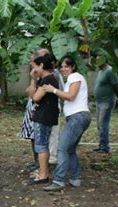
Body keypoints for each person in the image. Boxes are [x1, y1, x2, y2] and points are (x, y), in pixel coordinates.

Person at [42, 55, 91, 192]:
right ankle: (75, 179)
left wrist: (54, 90)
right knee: (69, 150)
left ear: (73, 67)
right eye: (61, 66)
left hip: (78, 117)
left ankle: (58, 180)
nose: (63, 69)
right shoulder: (73, 78)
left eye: (66, 66)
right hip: (78, 117)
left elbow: (71, 96)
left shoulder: (74, 77)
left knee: (62, 149)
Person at [29, 54, 60, 183]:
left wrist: (33, 79)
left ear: (41, 65)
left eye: (35, 66)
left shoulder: (47, 80)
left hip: (43, 116)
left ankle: (43, 175)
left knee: (41, 146)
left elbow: (35, 97)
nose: (34, 70)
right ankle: (44, 172)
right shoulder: (48, 79)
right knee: (43, 145)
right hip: (47, 116)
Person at [93, 54, 118, 153]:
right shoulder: (101, 71)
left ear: (105, 60)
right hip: (99, 101)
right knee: (99, 124)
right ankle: (102, 145)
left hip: (106, 101)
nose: (97, 62)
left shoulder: (110, 71)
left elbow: (117, 85)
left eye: (99, 59)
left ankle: (105, 147)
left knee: (103, 124)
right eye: (96, 60)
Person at [21, 54, 39, 170]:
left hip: (38, 108)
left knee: (38, 136)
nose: (30, 64)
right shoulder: (34, 74)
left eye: (32, 62)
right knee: (32, 136)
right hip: (31, 107)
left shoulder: (40, 75)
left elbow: (32, 93)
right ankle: (36, 160)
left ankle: (40, 163)